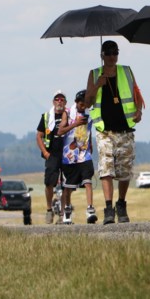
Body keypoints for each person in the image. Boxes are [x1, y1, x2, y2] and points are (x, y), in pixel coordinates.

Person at [85, 40, 144, 224]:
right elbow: (87, 103)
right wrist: (97, 85)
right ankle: (108, 207)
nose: (112, 56)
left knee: (125, 171)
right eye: (108, 53)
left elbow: (136, 95)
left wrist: (138, 111)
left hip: (125, 127)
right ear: (102, 55)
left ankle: (121, 203)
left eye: (114, 52)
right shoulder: (94, 74)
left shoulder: (126, 71)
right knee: (106, 168)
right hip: (105, 129)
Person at [58, 90, 95, 224]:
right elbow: (60, 131)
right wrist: (75, 124)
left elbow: (89, 130)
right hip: (69, 156)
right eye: (81, 104)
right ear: (76, 102)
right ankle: (67, 211)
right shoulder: (67, 113)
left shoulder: (89, 114)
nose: (83, 106)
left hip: (84, 154)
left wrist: (91, 144)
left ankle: (90, 210)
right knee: (69, 185)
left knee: (88, 180)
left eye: (85, 104)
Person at [36, 90, 68, 224]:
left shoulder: (70, 115)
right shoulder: (46, 117)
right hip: (52, 154)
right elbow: (39, 136)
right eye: (57, 99)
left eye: (62, 99)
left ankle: (63, 213)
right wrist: (44, 152)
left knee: (67, 185)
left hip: (67, 153)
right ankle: (49, 209)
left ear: (65, 102)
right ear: (53, 102)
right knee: (49, 183)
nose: (59, 101)